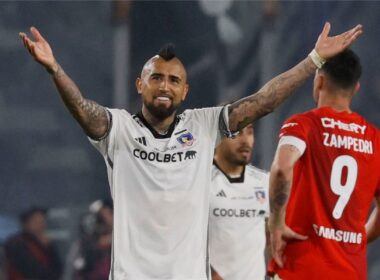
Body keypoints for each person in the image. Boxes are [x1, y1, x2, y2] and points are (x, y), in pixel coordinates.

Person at [19, 22, 362, 279]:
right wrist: (54, 69)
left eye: (173, 80)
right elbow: (81, 108)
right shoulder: (119, 129)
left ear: (185, 91)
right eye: (156, 78)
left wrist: (314, 59)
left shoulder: (203, 125)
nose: (164, 86)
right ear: (140, 84)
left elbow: (263, 101)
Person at [268, 49, 380, 280]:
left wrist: (276, 223)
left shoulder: (303, 125)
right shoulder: (375, 139)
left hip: (300, 268)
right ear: (355, 88)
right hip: (351, 271)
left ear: (319, 81)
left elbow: (281, 168)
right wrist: (358, 238)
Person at [209, 124, 269, 280]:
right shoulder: (198, 182)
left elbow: (273, 235)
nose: (245, 141)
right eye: (236, 134)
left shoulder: (264, 182)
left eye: (250, 133)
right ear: (216, 137)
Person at [4, 207, 62, 280]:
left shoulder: (47, 244)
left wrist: (50, 248)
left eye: (43, 221)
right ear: (26, 224)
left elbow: (58, 269)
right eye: (36, 222)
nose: (41, 225)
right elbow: (32, 270)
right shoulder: (16, 243)